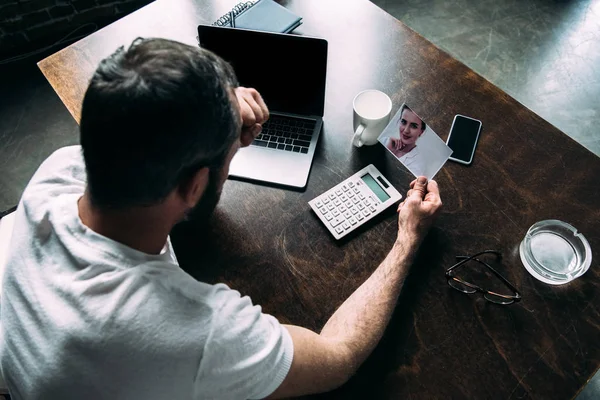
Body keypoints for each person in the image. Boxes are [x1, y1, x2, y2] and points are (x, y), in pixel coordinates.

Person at [0, 38, 442, 399]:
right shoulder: (194, 334)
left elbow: (146, 129)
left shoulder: (56, 175)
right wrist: (407, 238)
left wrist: (212, 123)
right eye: (229, 160)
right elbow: (339, 354)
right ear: (193, 186)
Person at [383, 104, 426, 171]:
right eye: (403, 122)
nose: (406, 130)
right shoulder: (385, 141)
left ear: (421, 132)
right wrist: (387, 150)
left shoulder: (417, 166)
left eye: (413, 126)